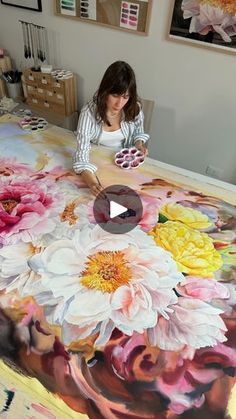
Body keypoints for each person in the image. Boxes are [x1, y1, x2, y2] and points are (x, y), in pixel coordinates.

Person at [73, 61, 149, 196]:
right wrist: (92, 183)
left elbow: (138, 131)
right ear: (105, 91)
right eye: (115, 95)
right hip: (96, 164)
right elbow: (81, 156)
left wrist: (139, 144)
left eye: (125, 97)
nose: (119, 103)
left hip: (124, 166)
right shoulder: (88, 112)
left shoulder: (134, 107)